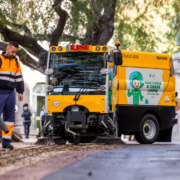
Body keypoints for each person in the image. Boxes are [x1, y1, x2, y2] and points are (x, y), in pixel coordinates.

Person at [0, 41, 24, 149]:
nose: (14, 54)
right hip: (0, 91)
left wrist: (20, 91)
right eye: (13, 52)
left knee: (9, 118)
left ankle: (6, 142)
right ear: (7, 49)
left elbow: (19, 78)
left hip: (11, 93)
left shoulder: (16, 62)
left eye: (16, 53)